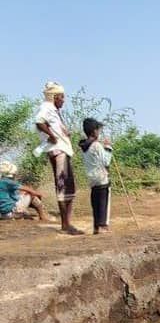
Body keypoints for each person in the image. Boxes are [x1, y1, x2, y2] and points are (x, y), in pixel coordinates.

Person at [35, 81, 83, 235]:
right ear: (55, 97)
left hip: (62, 150)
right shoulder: (46, 107)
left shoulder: (53, 110)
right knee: (62, 186)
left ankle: (67, 223)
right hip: (58, 151)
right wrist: (52, 137)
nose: (63, 100)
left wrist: (62, 133)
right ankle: (65, 225)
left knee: (67, 186)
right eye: (62, 97)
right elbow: (39, 122)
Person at [79, 118, 113, 234]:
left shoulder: (84, 147)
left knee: (95, 202)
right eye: (98, 130)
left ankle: (96, 227)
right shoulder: (97, 145)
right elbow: (106, 161)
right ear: (94, 131)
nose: (99, 132)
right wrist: (108, 147)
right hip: (102, 178)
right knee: (104, 201)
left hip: (92, 179)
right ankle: (103, 225)